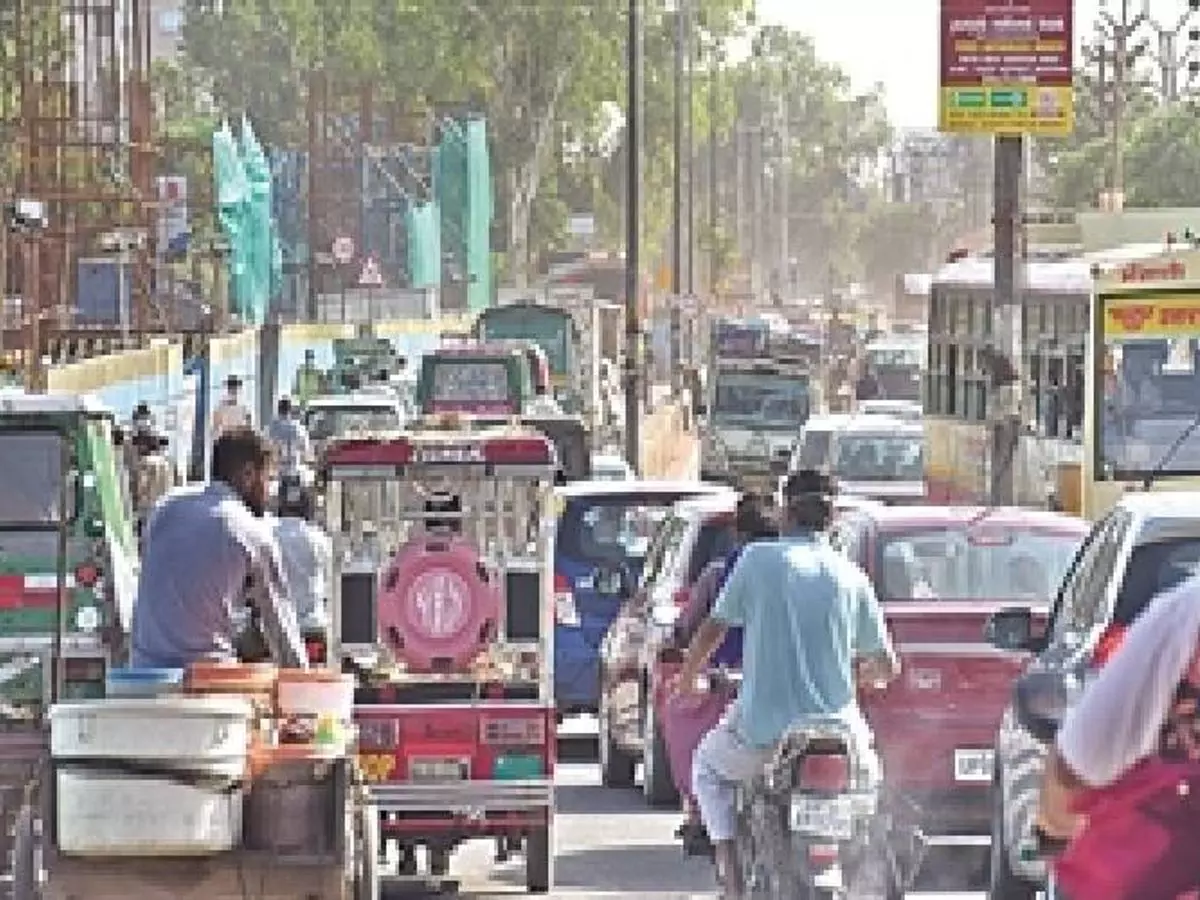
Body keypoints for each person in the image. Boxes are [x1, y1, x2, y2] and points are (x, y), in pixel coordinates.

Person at [673, 469, 900, 895]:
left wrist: (688, 679)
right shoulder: (852, 577)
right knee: (871, 811)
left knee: (707, 769)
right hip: (843, 741)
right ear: (831, 519)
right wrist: (857, 676)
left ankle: (733, 880)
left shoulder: (759, 560)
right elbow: (886, 666)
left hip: (763, 736)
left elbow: (711, 629)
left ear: (785, 513)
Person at [130, 427, 307, 670]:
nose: (269, 493)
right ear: (248, 474)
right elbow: (282, 627)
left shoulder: (165, 508)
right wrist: (303, 686)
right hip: (207, 678)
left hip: (143, 672)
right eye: (267, 479)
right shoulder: (250, 531)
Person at [270, 486, 332, 637]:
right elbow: (332, 577)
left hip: (277, 626)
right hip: (313, 623)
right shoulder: (318, 537)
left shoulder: (267, 534)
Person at [267, 396, 311, 473]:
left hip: (277, 469)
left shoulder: (273, 428)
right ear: (290, 411)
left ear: (279, 410)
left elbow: (268, 446)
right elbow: (305, 448)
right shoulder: (297, 427)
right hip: (294, 467)